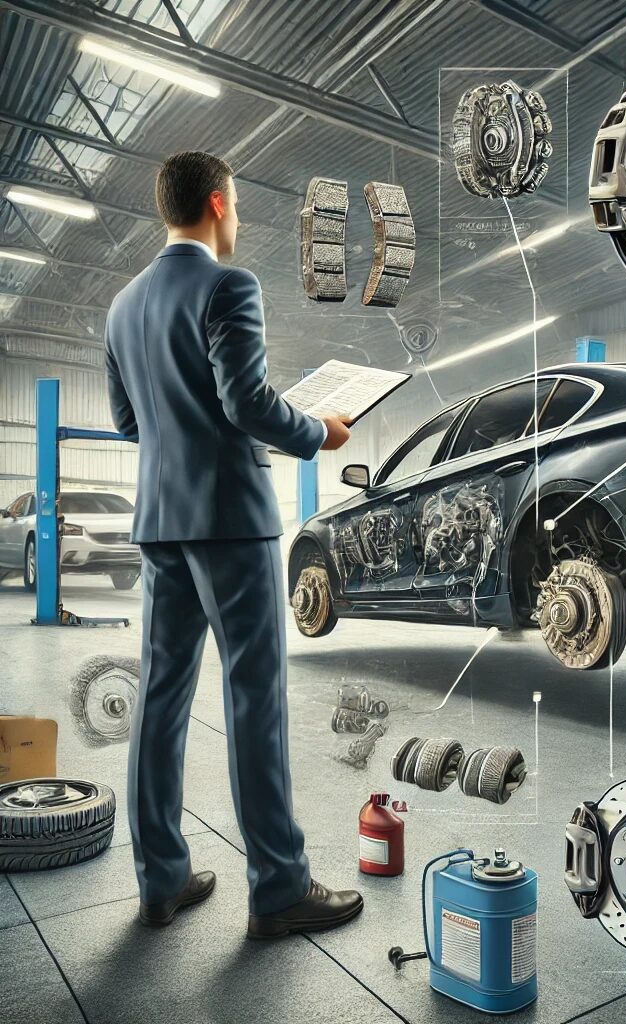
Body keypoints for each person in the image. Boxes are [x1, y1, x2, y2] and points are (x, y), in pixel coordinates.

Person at [104, 150, 362, 939]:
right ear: (218, 203)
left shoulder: (122, 307)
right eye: (239, 206)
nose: (239, 220)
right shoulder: (228, 285)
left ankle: (162, 879)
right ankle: (279, 888)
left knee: (161, 698)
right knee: (253, 700)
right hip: (231, 521)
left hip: (160, 523)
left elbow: (127, 423)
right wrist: (319, 432)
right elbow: (246, 401)